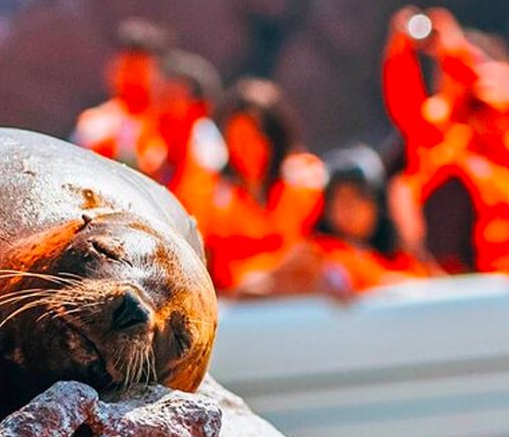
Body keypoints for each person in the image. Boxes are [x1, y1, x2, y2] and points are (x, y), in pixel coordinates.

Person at [383, 6, 509, 274]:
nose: (493, 117)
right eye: (478, 107)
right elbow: (407, 107)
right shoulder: (450, 143)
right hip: (483, 275)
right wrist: (408, 46)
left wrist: (454, 46)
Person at [201, 78, 327, 293]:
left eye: (253, 138)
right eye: (236, 139)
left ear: (274, 138)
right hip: (240, 314)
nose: (244, 149)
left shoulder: (305, 183)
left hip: (298, 308)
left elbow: (317, 255)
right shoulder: (212, 196)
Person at [312, 145, 431, 292]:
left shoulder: (398, 259)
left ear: (378, 204)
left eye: (359, 197)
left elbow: (429, 290)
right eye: (340, 199)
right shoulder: (316, 254)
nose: (349, 208)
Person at [72, 18, 169, 178]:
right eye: (125, 68)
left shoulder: (180, 124)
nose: (131, 79)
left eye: (140, 71)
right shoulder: (95, 122)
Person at [156, 49, 228, 226]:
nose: (162, 108)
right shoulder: (153, 151)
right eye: (159, 98)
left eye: (171, 98)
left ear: (201, 108)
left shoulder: (213, 161)